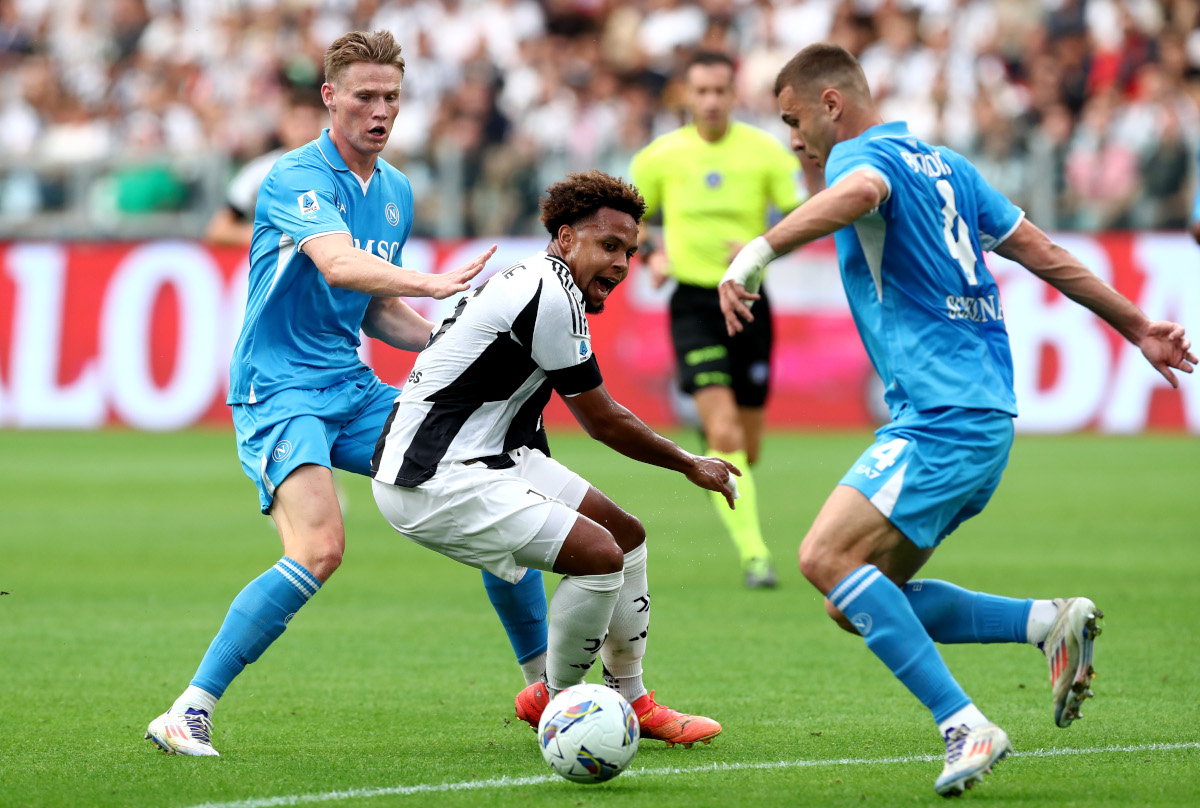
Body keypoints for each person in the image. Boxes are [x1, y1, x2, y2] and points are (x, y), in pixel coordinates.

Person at [719, 43, 1195, 796]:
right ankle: (1046, 623)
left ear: (831, 104)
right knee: (858, 599)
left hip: (942, 417)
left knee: (821, 559)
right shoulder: (948, 166)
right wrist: (1137, 325)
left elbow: (861, 191)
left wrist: (758, 250)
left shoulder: (857, 160)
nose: (794, 139)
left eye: (793, 119)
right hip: (982, 413)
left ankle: (965, 724)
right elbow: (1043, 252)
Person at [145, 30, 546, 758]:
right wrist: (434, 283)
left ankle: (546, 688)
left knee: (489, 491)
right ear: (330, 97)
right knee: (321, 547)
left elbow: (371, 308)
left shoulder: (393, 190)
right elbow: (336, 265)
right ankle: (188, 710)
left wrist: (445, 339)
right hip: (279, 390)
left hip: (351, 387)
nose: (380, 111)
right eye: (364, 96)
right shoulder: (293, 176)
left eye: (391, 97)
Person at [371, 169, 734, 748]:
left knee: (626, 536)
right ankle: (560, 701)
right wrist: (691, 462)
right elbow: (602, 420)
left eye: (630, 252)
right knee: (599, 556)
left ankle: (632, 698)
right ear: (565, 239)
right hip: (434, 475)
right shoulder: (546, 292)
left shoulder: (544, 282)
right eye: (608, 245)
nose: (620, 263)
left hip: (494, 454)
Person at [629, 51, 810, 589]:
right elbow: (627, 221)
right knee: (727, 431)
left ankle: (710, 431)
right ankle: (756, 557)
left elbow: (804, 216)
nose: (710, 101)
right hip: (693, 304)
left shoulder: (764, 153)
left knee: (747, 449)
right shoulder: (660, 156)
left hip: (751, 302)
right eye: (701, 91)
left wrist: (765, 249)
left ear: (735, 96)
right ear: (687, 95)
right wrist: (650, 256)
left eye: (719, 92)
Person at [205, 88, 326, 247]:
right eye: (297, 122)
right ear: (283, 127)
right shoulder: (260, 171)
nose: (305, 131)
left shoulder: (336, 170)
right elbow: (218, 230)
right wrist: (275, 236)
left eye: (311, 121)